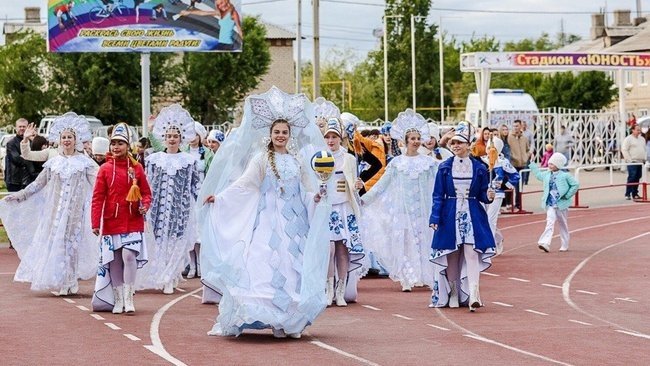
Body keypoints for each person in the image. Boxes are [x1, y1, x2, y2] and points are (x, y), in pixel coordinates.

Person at [198, 86, 330, 338]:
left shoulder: (297, 160)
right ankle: (265, 314)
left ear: (291, 135)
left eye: (285, 132)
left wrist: (315, 197)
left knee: (294, 267)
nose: (281, 136)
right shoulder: (260, 159)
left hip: (295, 224)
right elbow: (245, 185)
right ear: (269, 134)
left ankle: (290, 322)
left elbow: (304, 188)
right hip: (268, 221)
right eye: (277, 132)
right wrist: (221, 198)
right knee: (263, 262)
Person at [0, 113, 98, 295]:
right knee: (58, 244)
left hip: (75, 213)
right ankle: (61, 280)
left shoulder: (85, 163)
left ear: (76, 140)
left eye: (70, 137)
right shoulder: (54, 162)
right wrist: (20, 195)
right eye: (64, 137)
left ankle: (70, 281)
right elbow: (37, 183)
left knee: (72, 245)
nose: (66, 140)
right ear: (59, 140)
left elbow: (99, 181)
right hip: (55, 212)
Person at [361, 109, 438, 292]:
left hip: (422, 210)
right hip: (402, 211)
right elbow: (381, 185)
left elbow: (437, 185)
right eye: (412, 138)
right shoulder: (396, 163)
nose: (416, 142)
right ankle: (407, 277)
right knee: (404, 242)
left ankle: (423, 275)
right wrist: (364, 199)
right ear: (404, 141)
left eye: (418, 138)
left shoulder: (428, 163)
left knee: (422, 241)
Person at [429, 121, 496, 312]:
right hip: (450, 213)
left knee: (472, 252)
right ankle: (453, 292)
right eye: (453, 143)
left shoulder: (480, 167)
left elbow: (482, 194)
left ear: (468, 144)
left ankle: (474, 293)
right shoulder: (444, 167)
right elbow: (437, 195)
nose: (455, 146)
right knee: (452, 254)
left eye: (459, 142)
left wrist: (488, 196)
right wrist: (435, 218)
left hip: (472, 213)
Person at [138, 104, 201, 294]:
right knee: (159, 242)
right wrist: (144, 203)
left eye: (175, 136)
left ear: (181, 138)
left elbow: (196, 186)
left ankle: (171, 275)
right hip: (157, 210)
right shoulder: (153, 160)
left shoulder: (189, 161)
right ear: (163, 138)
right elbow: (146, 184)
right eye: (169, 136)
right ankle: (162, 273)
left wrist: (202, 203)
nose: (172, 139)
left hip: (180, 210)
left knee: (177, 241)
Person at [91, 123, 152, 313]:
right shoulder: (105, 169)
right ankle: (118, 300)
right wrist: (95, 223)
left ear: (128, 146)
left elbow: (146, 193)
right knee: (115, 260)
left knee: (128, 256)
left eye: (120, 143)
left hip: (132, 220)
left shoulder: (137, 168)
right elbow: (98, 197)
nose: (116, 147)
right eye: (113, 143)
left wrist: (144, 205)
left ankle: (129, 298)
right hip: (111, 221)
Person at [530, 153, 579, 252]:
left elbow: (575, 185)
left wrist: (567, 195)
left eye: (552, 164)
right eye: (550, 163)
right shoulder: (547, 174)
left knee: (563, 224)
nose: (550, 165)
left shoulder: (565, 175)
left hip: (561, 204)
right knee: (550, 222)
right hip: (550, 204)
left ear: (558, 165)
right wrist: (532, 164)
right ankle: (545, 243)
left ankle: (564, 244)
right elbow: (538, 175)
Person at [481, 137, 519, 255]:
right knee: (484, 220)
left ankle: (489, 246)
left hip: (497, 195)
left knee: (490, 219)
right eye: (488, 148)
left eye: (492, 148)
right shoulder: (481, 161)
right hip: (482, 194)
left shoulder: (503, 163)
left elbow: (515, 176)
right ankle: (497, 239)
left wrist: (505, 184)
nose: (489, 150)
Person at [4, 118, 34, 192]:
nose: (22, 128)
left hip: (28, 181)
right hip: (14, 182)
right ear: (16, 128)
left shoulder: (31, 142)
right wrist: (30, 158)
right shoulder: (11, 143)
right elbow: (17, 160)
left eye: (24, 126)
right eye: (20, 126)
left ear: (27, 127)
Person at [507, 120, 530, 209]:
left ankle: (518, 204)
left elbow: (527, 149)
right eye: (514, 126)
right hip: (513, 165)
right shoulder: (509, 137)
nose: (515, 128)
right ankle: (509, 204)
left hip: (523, 164)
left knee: (520, 186)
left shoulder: (524, 138)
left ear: (521, 126)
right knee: (512, 184)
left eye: (517, 126)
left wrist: (526, 156)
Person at [621, 124, 647, 200]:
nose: (639, 131)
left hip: (640, 161)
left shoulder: (642, 139)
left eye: (640, 130)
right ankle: (628, 193)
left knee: (638, 177)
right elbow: (624, 149)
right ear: (632, 130)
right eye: (637, 130)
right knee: (632, 177)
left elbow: (644, 149)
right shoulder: (628, 139)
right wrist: (629, 159)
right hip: (633, 161)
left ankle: (635, 193)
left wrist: (644, 159)